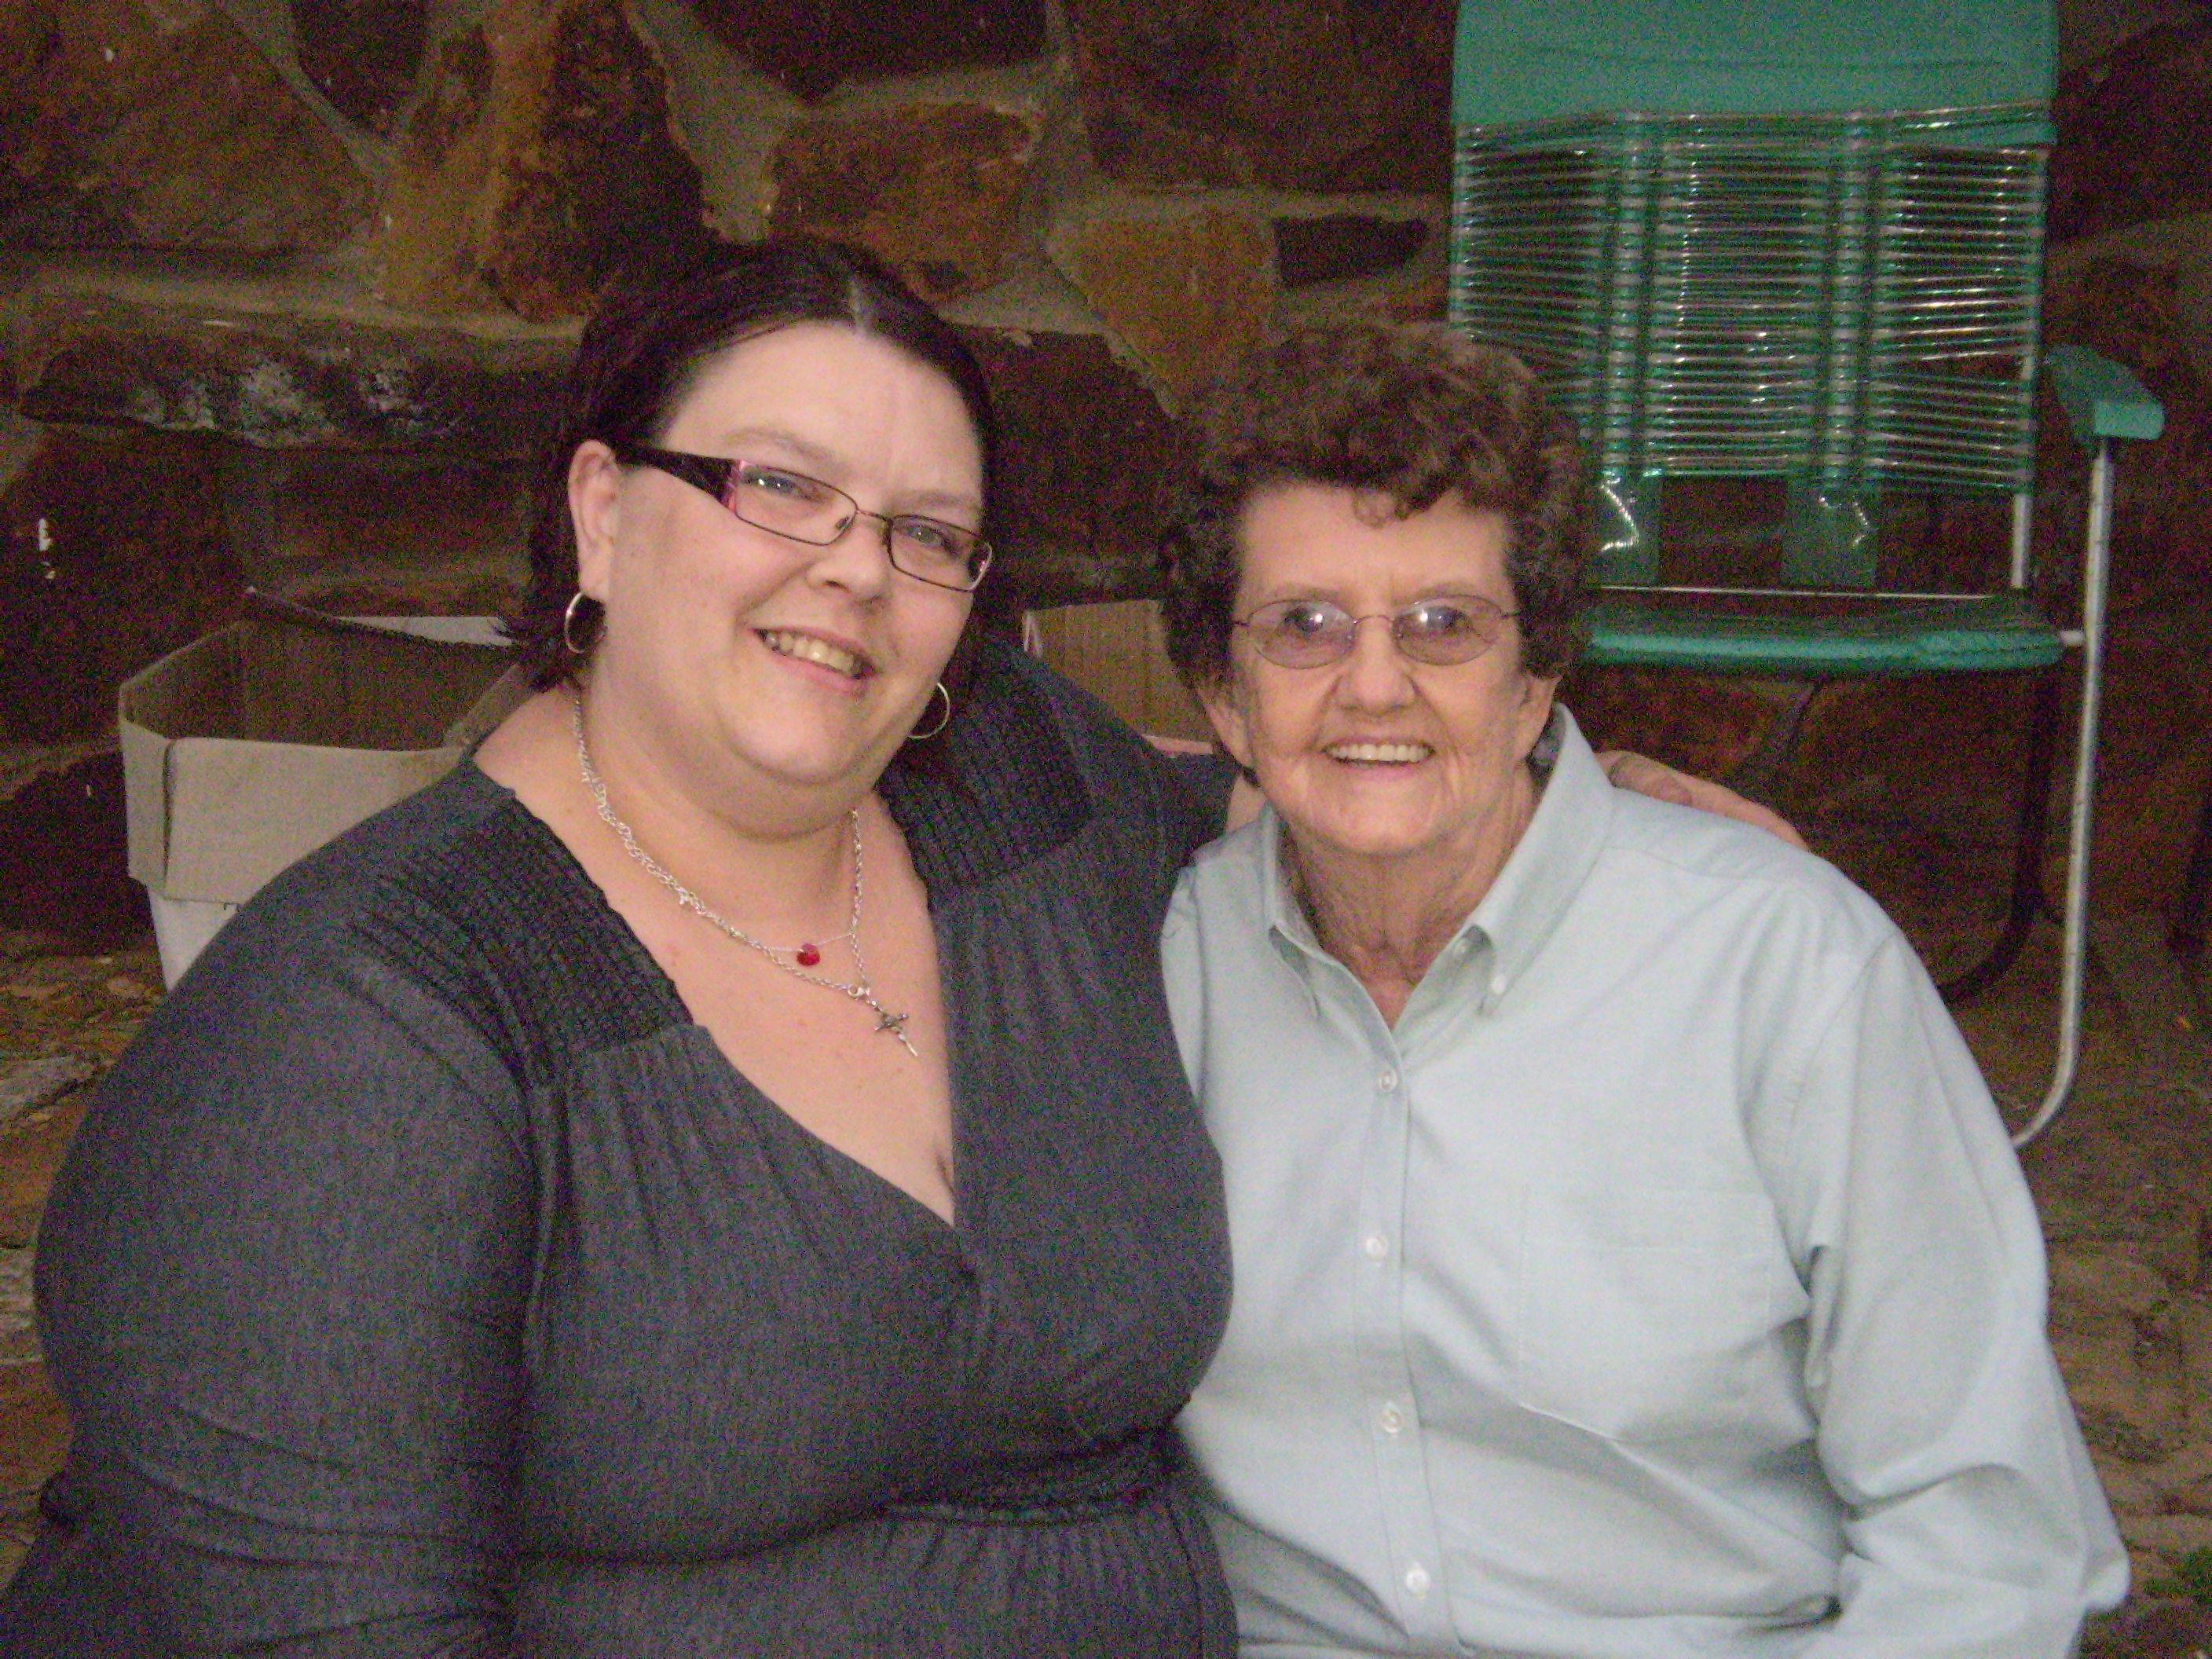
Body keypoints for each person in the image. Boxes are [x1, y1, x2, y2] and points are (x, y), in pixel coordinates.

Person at [0, 240, 1774, 1655]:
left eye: (926, 533)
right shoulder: (356, 1044)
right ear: (604, 513)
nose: (855, 571)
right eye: (781, 487)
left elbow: (1242, 829)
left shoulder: (990, 770)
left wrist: (1543, 811)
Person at [1155, 320, 2126, 1658]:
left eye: (1446, 625)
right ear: (1222, 689)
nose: (1373, 684)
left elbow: (1988, 1541)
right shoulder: (1164, 962)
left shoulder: (1783, 969)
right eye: (1303, 626)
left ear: (1535, 674)